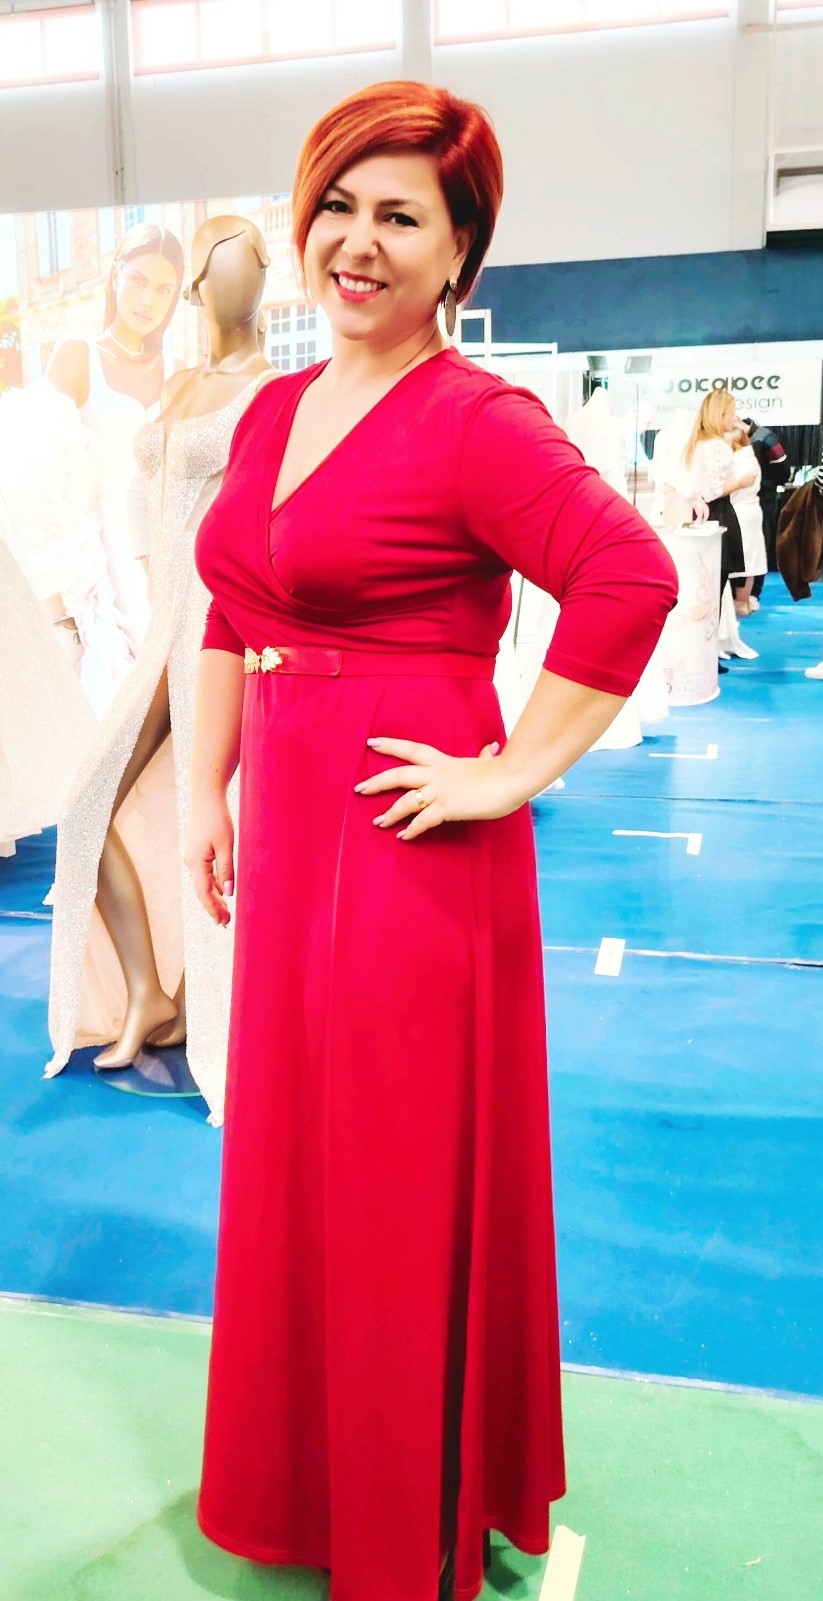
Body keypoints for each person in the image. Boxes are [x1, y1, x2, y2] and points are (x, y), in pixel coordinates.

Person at [186, 81, 678, 1601]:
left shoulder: (477, 421)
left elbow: (627, 577)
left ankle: (411, 1507)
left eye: (400, 217)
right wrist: (204, 790)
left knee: (393, 1180)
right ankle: (309, 1484)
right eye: (338, 204)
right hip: (287, 832)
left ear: (459, 252)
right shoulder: (274, 409)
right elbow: (230, 610)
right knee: (295, 1166)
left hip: (404, 842)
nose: (357, 241)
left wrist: (511, 771)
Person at [44, 218, 276, 1121]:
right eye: (223, 261)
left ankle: (204, 1007)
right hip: (163, 625)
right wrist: (140, 585)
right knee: (85, 807)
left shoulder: (275, 389)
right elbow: (145, 500)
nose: (242, 276)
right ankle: (149, 991)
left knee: (199, 818)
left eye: (253, 261)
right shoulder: (179, 383)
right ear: (199, 286)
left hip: (219, 626)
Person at [0, 223, 184, 713]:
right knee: (108, 703)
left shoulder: (179, 370)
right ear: (116, 274)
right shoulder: (78, 355)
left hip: (161, 556)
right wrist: (65, 601)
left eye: (164, 289)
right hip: (98, 558)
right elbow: (41, 488)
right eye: (139, 279)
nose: (148, 299)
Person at [741, 416, 790, 604]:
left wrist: (767, 486)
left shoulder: (765, 438)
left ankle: (754, 592)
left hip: (762, 499)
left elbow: (783, 471)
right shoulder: (729, 437)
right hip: (739, 499)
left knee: (758, 544)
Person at [728, 422, 767, 616]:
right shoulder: (750, 458)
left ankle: (740, 603)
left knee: (742, 560)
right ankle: (743, 602)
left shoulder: (737, 460)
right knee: (750, 560)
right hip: (751, 511)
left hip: (739, 513)